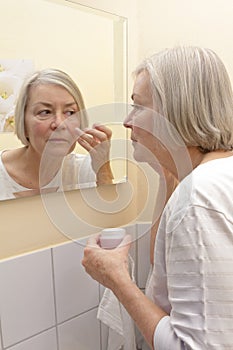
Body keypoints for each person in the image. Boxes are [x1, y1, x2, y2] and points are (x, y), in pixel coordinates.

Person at [82, 46, 233, 349]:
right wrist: (167, 167)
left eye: (139, 106)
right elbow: (165, 276)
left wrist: (116, 279)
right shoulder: (216, 176)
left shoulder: (198, 196)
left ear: (177, 112)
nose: (126, 120)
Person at [0, 68, 113, 200]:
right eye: (45, 112)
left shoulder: (86, 170)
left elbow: (111, 217)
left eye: (70, 112)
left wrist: (103, 170)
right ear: (23, 123)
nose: (60, 124)